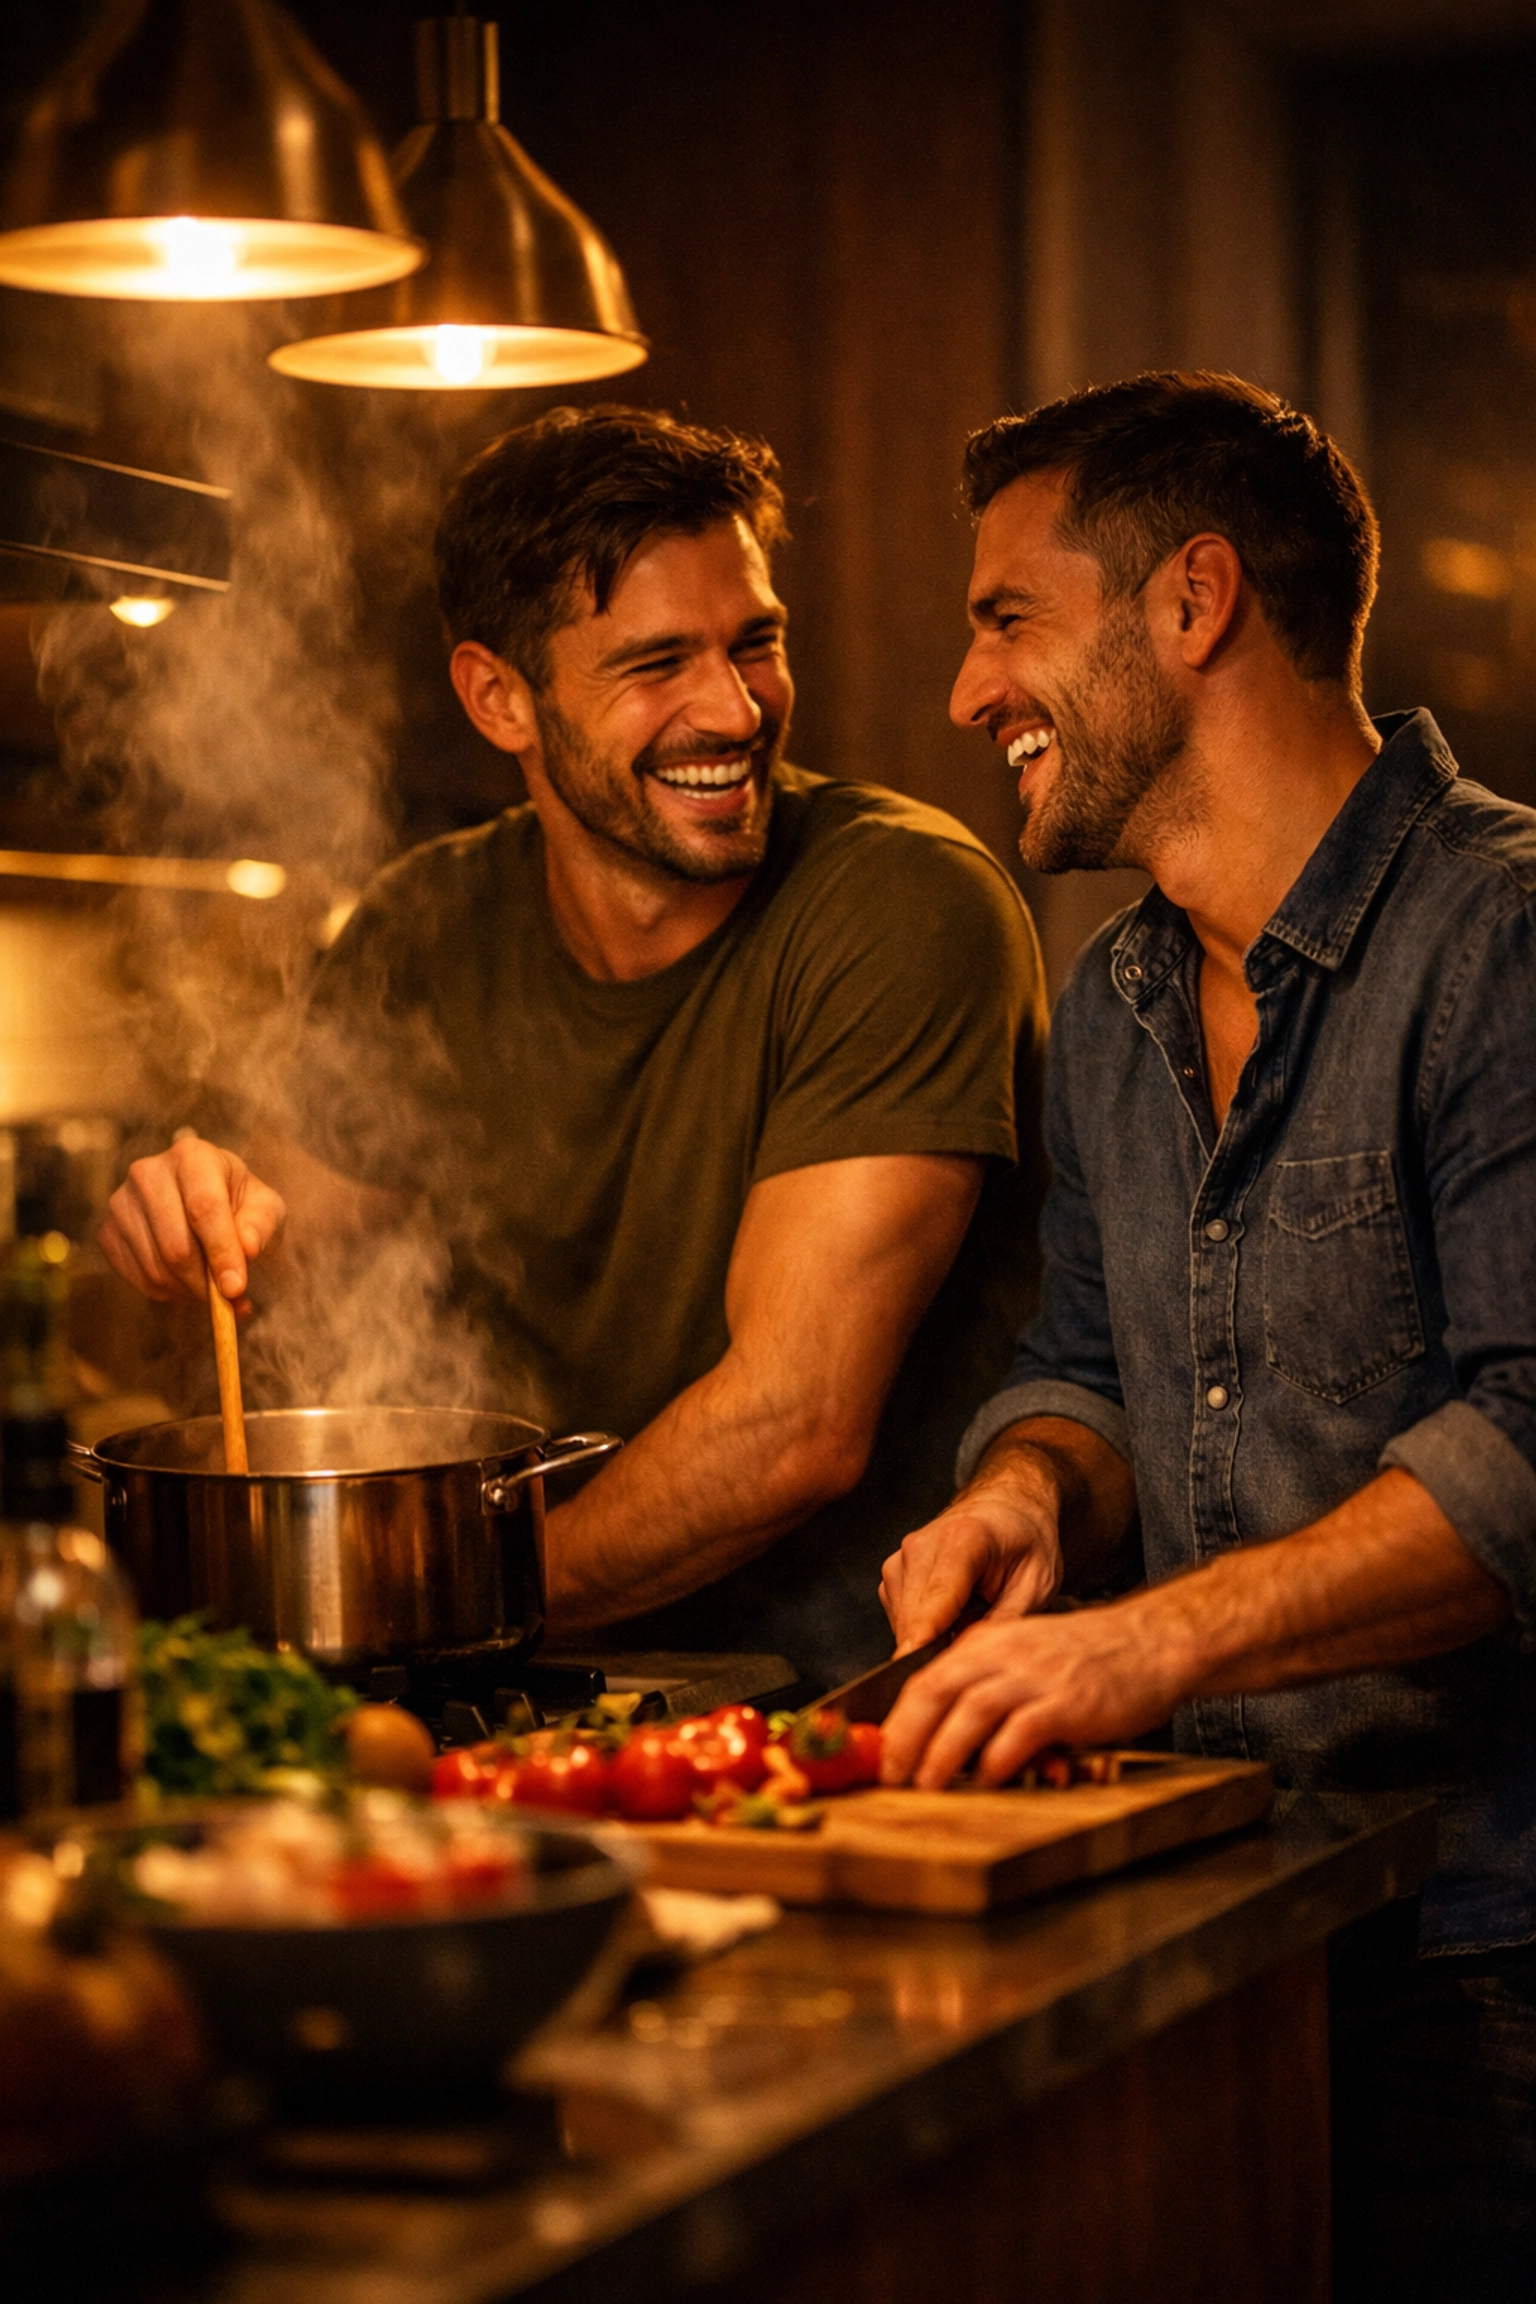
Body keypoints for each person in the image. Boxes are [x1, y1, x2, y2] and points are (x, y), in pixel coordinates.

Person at [876, 371, 1536, 2301]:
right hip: (1225, 1911)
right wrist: (1027, 1496)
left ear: (1192, 602)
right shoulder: (1115, 994)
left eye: (1006, 619)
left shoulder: (1501, 935)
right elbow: (1087, 1359)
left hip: (1491, 1950)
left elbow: (1527, 1445)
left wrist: (1147, 1632)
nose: (964, 693)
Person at [101, 404, 1047, 1687]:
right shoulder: (422, 926)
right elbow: (275, 1292)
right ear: (501, 699)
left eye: (755, 643)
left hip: (866, 1702)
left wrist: (436, 1607)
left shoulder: (904, 901)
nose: (734, 708)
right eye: (656, 665)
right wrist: (189, 1230)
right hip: (540, 1688)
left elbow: (796, 1423)